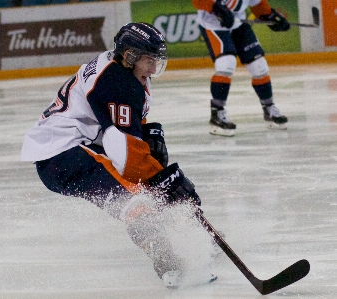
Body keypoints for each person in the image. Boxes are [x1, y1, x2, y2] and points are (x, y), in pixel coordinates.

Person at [21, 22, 203, 288]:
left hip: (71, 151)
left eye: (157, 60)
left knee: (145, 187)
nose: (153, 68)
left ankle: (189, 236)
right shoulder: (118, 82)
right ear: (129, 56)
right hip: (65, 153)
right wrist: (165, 179)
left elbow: (123, 136)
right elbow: (123, 150)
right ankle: (166, 262)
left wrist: (155, 168)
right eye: (149, 60)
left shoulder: (122, 70)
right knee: (133, 200)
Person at [192, 0, 290, 136]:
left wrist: (270, 16)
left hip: (238, 23)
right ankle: (217, 114)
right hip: (213, 24)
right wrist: (216, 8)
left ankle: (269, 108)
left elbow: (258, 3)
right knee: (226, 64)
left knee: (259, 66)